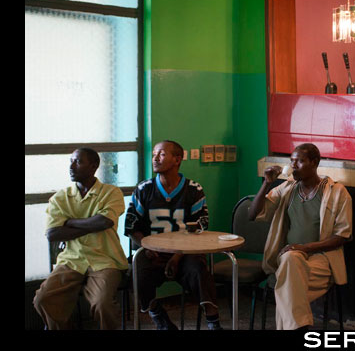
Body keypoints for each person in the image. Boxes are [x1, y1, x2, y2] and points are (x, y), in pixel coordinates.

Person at [248, 143, 352, 330]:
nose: (294, 166)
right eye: (292, 161)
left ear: (314, 162)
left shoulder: (336, 193)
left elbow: (343, 236)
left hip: (321, 262)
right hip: (290, 260)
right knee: (290, 260)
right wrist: (267, 183)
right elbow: (252, 214)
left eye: (300, 161)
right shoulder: (287, 188)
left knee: (286, 283)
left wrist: (305, 248)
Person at [124, 140, 222, 330]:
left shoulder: (193, 190)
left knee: (199, 272)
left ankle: (213, 322)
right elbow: (131, 226)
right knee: (137, 273)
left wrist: (177, 256)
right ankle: (158, 316)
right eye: (154, 154)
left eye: (160, 154)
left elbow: (200, 228)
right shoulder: (144, 189)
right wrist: (146, 247)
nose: (155, 158)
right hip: (152, 252)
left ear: (177, 159)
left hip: (185, 253)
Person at [33, 148, 128, 330]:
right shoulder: (60, 198)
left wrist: (69, 222)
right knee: (42, 299)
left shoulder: (111, 192)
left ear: (93, 166)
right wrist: (91, 224)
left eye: (77, 161)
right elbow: (53, 234)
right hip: (71, 260)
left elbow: (105, 222)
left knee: (103, 304)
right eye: (71, 161)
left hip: (105, 260)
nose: (71, 166)